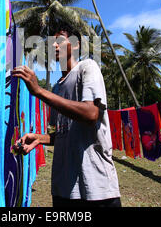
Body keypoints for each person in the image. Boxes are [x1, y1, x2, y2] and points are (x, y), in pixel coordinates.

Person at [11, 23, 121, 207]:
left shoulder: (87, 68)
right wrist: (39, 139)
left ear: (76, 44)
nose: (54, 45)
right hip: (64, 190)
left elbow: (91, 114)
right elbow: (63, 134)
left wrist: (38, 91)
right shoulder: (56, 87)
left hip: (96, 189)